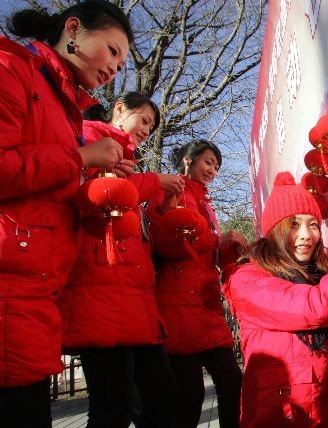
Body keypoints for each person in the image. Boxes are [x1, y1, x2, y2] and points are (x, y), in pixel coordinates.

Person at [0, 1, 133, 426]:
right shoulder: (11, 68)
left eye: (121, 63)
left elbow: (45, 194)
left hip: (38, 289)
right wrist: (80, 158)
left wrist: (99, 190)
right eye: (112, 51)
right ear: (73, 29)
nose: (114, 68)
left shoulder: (65, 106)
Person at [223, 171, 328, 427]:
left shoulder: (317, 277)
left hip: (327, 412)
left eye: (313, 224)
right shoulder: (247, 279)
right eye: (294, 224)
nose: (306, 234)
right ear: (275, 231)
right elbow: (316, 307)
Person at [57, 91, 184, 427]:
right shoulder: (88, 140)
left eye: (151, 127)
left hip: (133, 296)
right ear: (119, 109)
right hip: (99, 291)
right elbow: (98, 195)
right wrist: (153, 181)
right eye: (144, 120)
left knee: (162, 397)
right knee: (114, 408)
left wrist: (162, 209)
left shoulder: (128, 161)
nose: (147, 130)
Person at [146, 139, 247, 428]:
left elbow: (208, 254)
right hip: (178, 302)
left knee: (232, 382)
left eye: (216, 167)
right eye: (208, 162)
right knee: (190, 395)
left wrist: (229, 249)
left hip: (205, 302)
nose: (212, 170)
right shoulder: (169, 191)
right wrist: (218, 240)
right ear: (188, 160)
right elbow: (167, 242)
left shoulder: (205, 203)